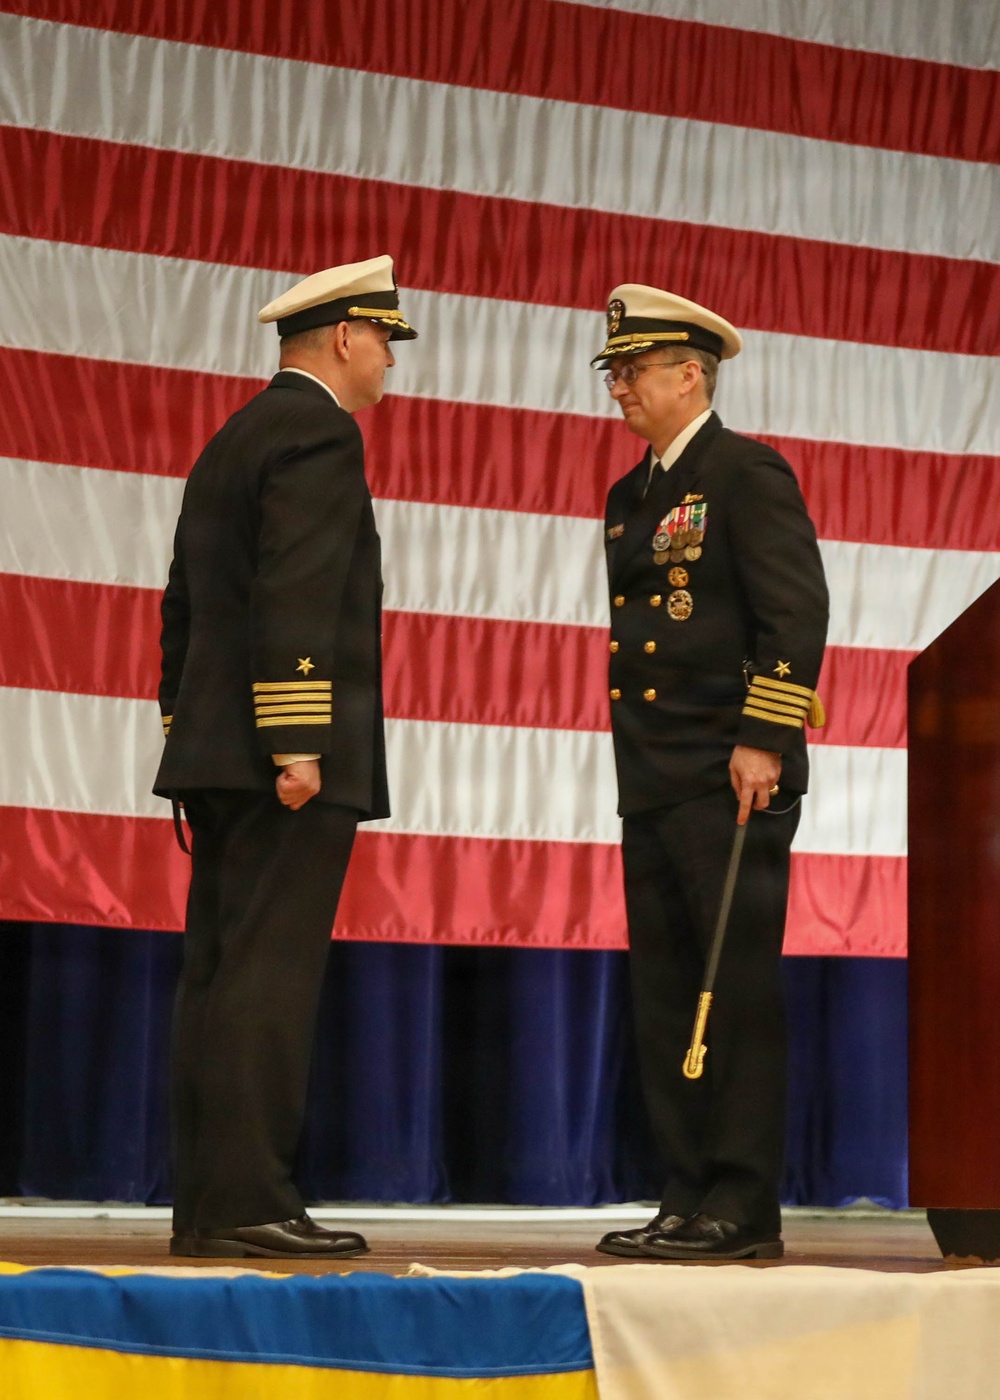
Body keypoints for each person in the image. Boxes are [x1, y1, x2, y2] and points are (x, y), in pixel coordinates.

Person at [154, 255, 417, 1259]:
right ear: (346, 336)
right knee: (264, 980)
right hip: (280, 759)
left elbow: (182, 602)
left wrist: (187, 734)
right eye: (385, 338)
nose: (390, 359)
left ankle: (213, 1200)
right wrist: (298, 738)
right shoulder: (317, 431)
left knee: (220, 976)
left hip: (221, 755)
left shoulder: (234, 435)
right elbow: (298, 590)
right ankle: (249, 1197)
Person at [591, 287, 829, 1261]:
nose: (618, 389)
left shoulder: (744, 473)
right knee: (664, 989)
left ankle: (741, 1201)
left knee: (728, 990)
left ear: (691, 373)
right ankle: (685, 1190)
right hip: (653, 773)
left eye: (633, 371)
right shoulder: (631, 495)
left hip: (732, 771)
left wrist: (764, 736)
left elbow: (793, 609)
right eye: (612, 372)